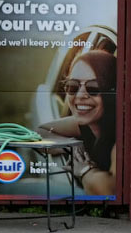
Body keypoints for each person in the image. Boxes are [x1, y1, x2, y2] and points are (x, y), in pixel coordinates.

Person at [40, 50, 117, 196]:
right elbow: (40, 132)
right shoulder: (86, 125)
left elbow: (108, 190)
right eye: (73, 86)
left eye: (94, 87)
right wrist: (73, 146)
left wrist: (84, 169)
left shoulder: (121, 139)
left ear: (112, 91)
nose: (80, 95)